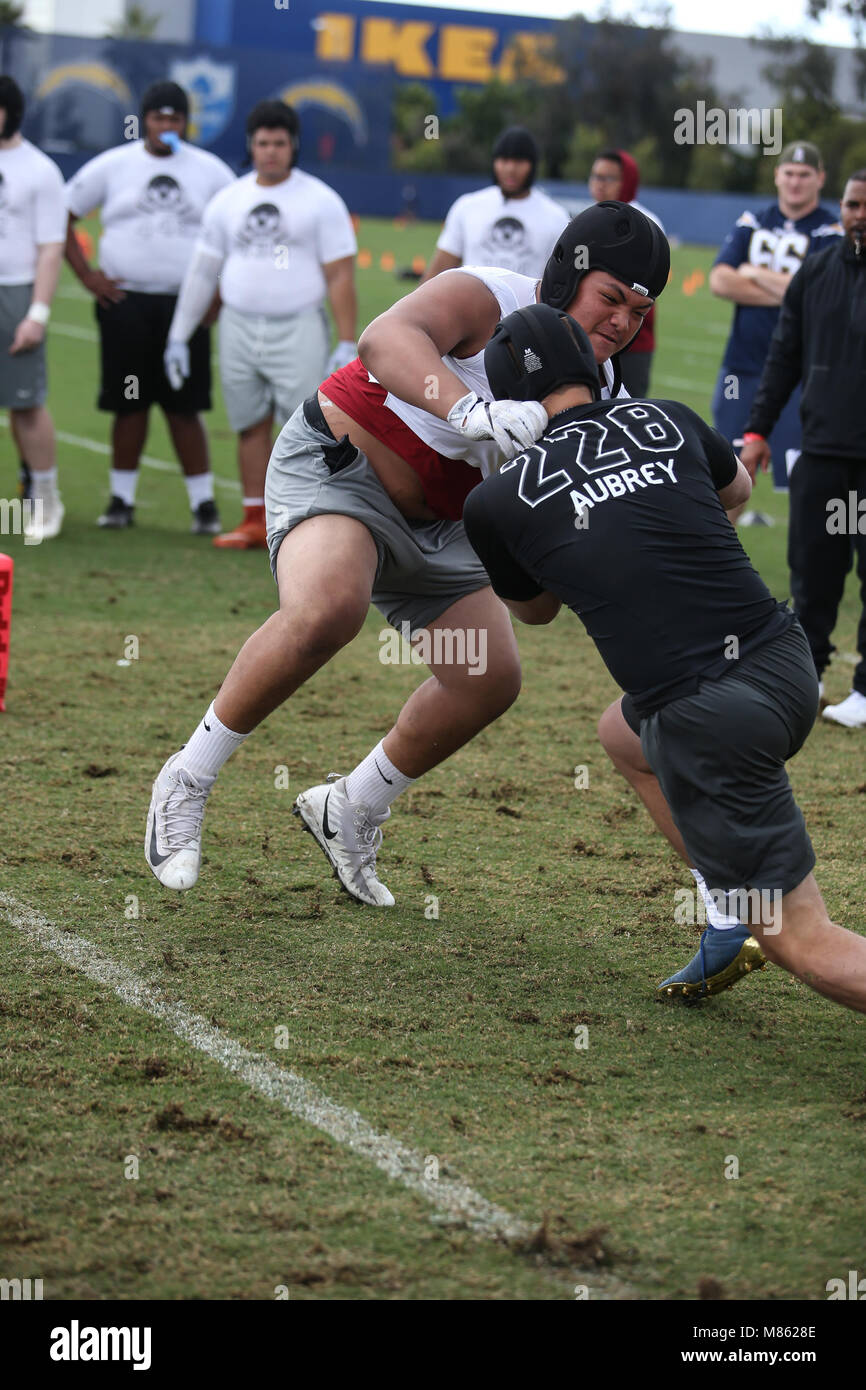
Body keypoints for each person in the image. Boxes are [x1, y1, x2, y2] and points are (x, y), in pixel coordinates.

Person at [144, 202, 668, 908]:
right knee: (331, 609)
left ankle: (351, 806)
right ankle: (189, 776)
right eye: (612, 297)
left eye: (637, 312)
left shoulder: (599, 390)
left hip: (445, 525)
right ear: (565, 274)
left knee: (489, 679)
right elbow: (383, 338)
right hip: (344, 471)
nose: (620, 322)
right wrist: (468, 412)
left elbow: (562, 554)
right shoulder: (490, 295)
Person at [463, 302, 866, 1017]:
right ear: (593, 365)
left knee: (803, 941)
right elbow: (737, 492)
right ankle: (727, 898)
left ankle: (748, 909)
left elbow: (536, 609)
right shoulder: (668, 416)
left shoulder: (496, 499)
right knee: (623, 733)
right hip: (787, 664)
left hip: (710, 717)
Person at [165, 100, 358, 550]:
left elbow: (340, 275)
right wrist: (178, 334)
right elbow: (202, 271)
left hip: (299, 326)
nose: (270, 151)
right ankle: (256, 518)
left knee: (310, 426)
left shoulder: (321, 200)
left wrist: (347, 339)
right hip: (237, 326)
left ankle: (311, 520)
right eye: (262, 143)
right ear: (251, 146)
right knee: (249, 423)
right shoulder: (228, 200)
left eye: (279, 143)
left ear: (293, 147)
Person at [64, 81, 234, 532]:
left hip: (186, 304)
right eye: (158, 118)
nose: (166, 127)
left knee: (184, 406)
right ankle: (121, 500)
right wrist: (87, 275)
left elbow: (235, 232)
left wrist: (216, 294)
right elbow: (63, 214)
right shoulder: (114, 165)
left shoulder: (211, 171)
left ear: (185, 123)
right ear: (144, 122)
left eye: (175, 119)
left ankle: (204, 506)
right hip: (126, 301)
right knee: (130, 401)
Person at [740, 170, 866, 731]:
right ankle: (808, 675)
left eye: (865, 205)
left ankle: (863, 690)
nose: (858, 214)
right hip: (821, 450)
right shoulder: (817, 270)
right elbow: (783, 357)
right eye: (852, 204)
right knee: (812, 570)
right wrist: (759, 430)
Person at [709, 141, 841, 519]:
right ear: (777, 176)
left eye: (805, 174)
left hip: (802, 374)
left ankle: (808, 567)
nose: (796, 182)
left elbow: (820, 295)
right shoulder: (753, 219)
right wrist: (790, 291)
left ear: (820, 179)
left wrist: (752, 272)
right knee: (730, 475)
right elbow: (719, 281)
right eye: (790, 173)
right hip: (743, 368)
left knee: (804, 479)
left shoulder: (830, 230)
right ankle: (719, 566)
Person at [0, 75, 65, 542]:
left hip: (15, 292)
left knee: (25, 404)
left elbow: (50, 247)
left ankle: (45, 500)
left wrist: (37, 313)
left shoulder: (39, 170)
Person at [420, 127, 569, 283]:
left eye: (519, 161)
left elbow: (562, 283)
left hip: (527, 307)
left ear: (532, 165)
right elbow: (436, 274)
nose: (510, 169)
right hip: (472, 306)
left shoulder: (556, 217)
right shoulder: (467, 207)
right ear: (494, 162)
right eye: (504, 160)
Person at [587, 148, 663, 397]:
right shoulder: (587, 220)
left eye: (608, 178)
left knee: (627, 416)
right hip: (587, 330)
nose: (600, 184)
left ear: (627, 180)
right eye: (596, 176)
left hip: (631, 338)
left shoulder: (646, 223)